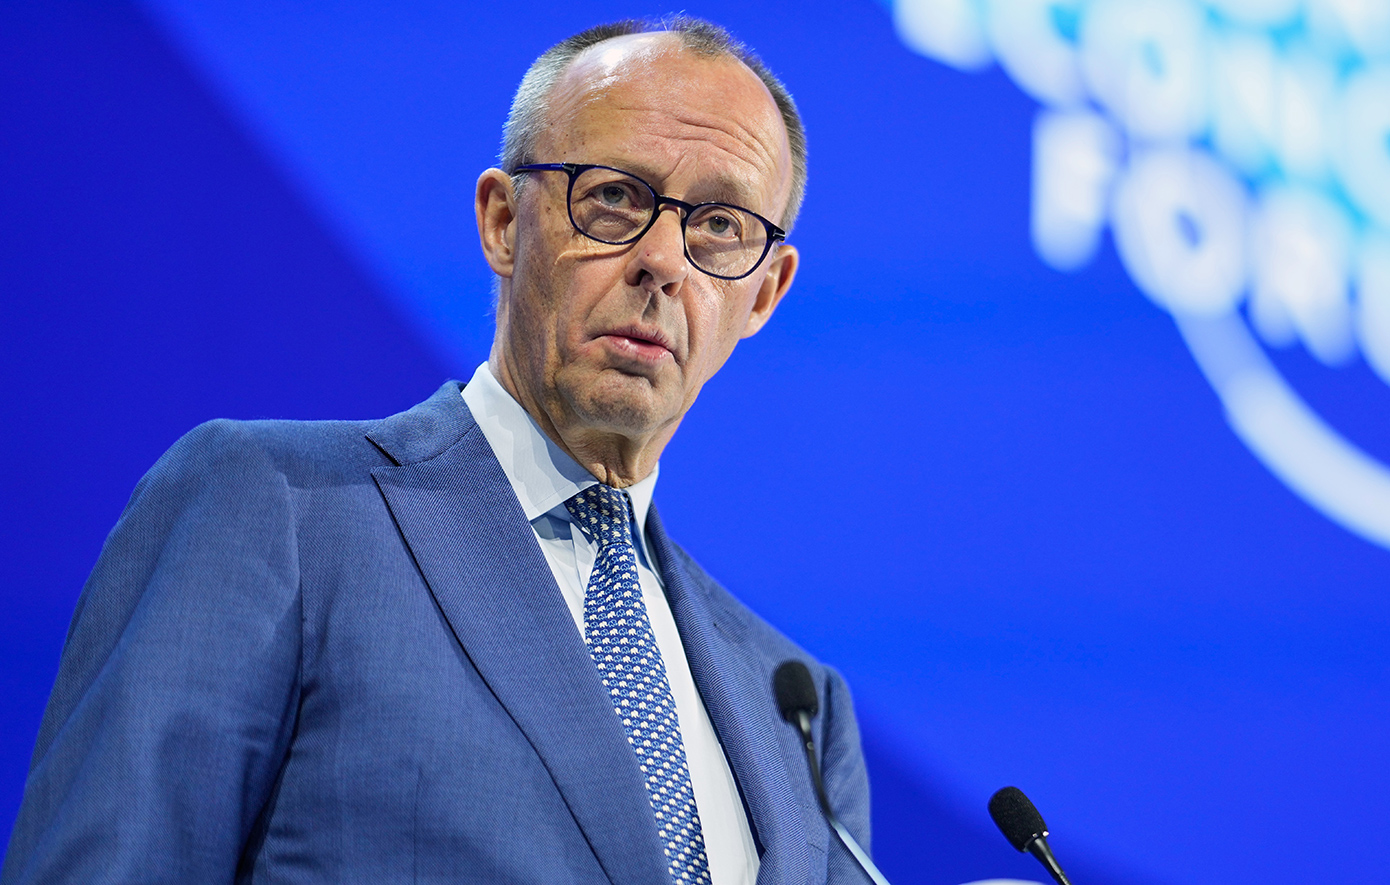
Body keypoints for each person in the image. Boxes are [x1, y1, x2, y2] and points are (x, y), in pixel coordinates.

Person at [2, 17, 871, 885]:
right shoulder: (277, 511)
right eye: (614, 196)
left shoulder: (799, 709)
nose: (662, 260)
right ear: (503, 222)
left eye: (720, 225)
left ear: (765, 293)